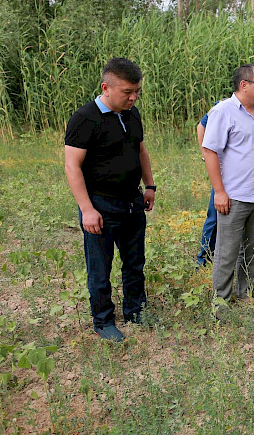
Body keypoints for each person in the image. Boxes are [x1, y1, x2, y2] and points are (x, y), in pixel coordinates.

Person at [64, 58, 155, 342]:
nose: (133, 97)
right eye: (127, 92)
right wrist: (87, 209)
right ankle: (103, 321)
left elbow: (141, 150)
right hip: (101, 206)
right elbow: (72, 166)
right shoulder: (85, 119)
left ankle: (135, 311)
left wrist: (149, 186)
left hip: (132, 203)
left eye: (137, 91)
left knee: (134, 263)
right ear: (106, 88)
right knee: (100, 269)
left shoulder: (131, 113)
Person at [201, 64, 254, 308]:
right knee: (227, 252)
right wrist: (219, 192)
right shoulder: (223, 111)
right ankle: (221, 302)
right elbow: (209, 150)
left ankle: (244, 295)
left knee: (253, 250)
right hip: (234, 196)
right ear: (244, 85)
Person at [196, 100, 254, 269]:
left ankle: (253, 262)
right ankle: (205, 257)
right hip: (229, 178)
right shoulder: (226, 108)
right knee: (216, 217)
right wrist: (208, 157)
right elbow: (202, 127)